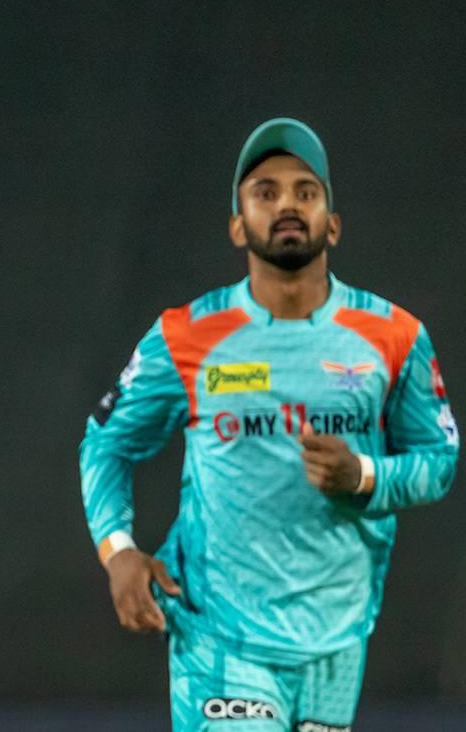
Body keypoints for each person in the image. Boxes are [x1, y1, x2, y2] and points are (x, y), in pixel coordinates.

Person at [79, 118, 459, 731]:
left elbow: (439, 461)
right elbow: (105, 444)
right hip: (217, 633)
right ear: (238, 225)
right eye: (265, 192)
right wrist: (118, 552)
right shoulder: (186, 336)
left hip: (337, 636)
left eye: (306, 192)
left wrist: (362, 476)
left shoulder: (396, 337)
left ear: (333, 224)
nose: (287, 204)